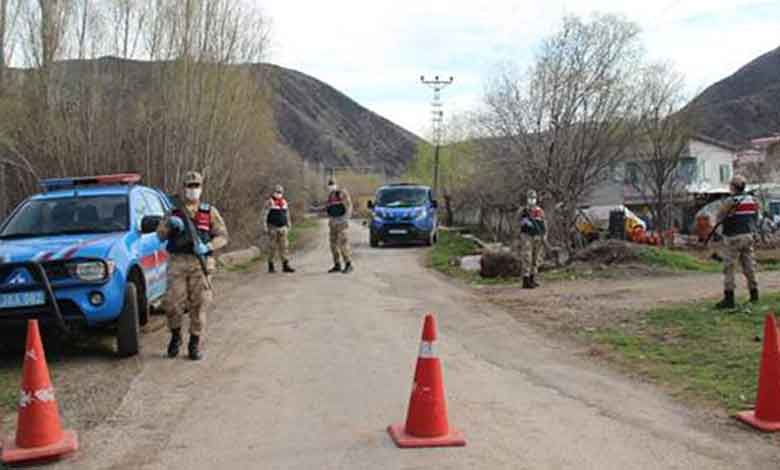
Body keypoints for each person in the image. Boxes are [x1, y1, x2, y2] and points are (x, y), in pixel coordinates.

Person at [157, 171, 229, 360]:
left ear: (201, 188)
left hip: (200, 263)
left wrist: (208, 246)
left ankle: (194, 344)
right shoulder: (173, 211)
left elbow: (223, 236)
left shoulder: (209, 211)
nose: (193, 189)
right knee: (172, 304)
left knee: (200, 304)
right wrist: (170, 226)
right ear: (184, 188)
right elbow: (160, 235)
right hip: (177, 261)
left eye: (196, 186)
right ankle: (175, 337)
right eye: (189, 186)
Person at [715, 175, 759, 309]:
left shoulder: (731, 201)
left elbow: (719, 217)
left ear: (733, 187)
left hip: (733, 237)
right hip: (748, 235)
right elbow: (755, 216)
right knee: (749, 265)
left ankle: (729, 298)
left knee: (729, 267)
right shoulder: (752, 200)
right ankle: (754, 294)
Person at [262, 185, 295, 274]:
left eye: (280, 192)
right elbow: (264, 215)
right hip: (273, 227)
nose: (279, 194)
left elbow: (287, 214)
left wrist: (289, 224)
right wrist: (265, 227)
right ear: (274, 192)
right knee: (272, 247)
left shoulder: (284, 202)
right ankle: (271, 265)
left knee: (284, 247)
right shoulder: (269, 202)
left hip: (283, 227)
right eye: (277, 192)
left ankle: (285, 265)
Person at [518, 189, 546, 289]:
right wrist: (524, 221)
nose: (532, 200)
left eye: (533, 198)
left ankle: (533, 278)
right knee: (527, 257)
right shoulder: (523, 210)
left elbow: (543, 223)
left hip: (537, 236)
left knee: (536, 257)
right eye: (530, 198)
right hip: (527, 236)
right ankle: (526, 280)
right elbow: (519, 223)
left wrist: (544, 235)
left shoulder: (539, 211)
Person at [324, 179, 353, 273]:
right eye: (329, 185)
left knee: (343, 244)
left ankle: (348, 264)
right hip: (333, 224)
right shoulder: (330, 196)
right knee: (333, 245)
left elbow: (348, 206)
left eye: (332, 184)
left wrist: (345, 219)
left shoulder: (341, 193)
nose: (330, 186)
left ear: (336, 185)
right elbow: (329, 209)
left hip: (342, 223)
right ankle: (337, 264)